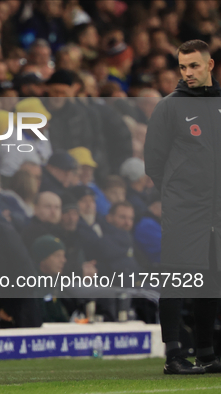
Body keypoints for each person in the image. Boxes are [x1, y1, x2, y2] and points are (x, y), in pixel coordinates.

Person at [145, 39, 221, 374]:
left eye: (194, 66)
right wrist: (178, 193)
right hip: (183, 207)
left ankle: (206, 352)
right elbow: (154, 162)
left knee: (211, 277)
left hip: (216, 208)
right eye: (182, 66)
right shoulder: (168, 107)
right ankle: (174, 356)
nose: (187, 72)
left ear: (210, 66)